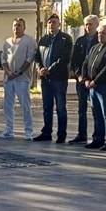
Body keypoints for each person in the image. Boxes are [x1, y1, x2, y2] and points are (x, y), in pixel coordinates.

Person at [80, 24, 106, 151]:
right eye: (99, 33)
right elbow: (86, 63)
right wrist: (86, 79)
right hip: (92, 86)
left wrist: (96, 81)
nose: (100, 35)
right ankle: (98, 138)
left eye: (103, 33)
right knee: (96, 113)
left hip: (105, 85)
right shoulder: (94, 48)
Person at [33, 14, 72, 143]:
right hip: (45, 79)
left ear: (59, 24)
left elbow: (64, 58)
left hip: (59, 78)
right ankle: (46, 132)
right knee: (47, 107)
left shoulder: (66, 39)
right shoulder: (43, 39)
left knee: (60, 107)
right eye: (50, 22)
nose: (52, 24)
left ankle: (61, 134)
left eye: (54, 22)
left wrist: (50, 69)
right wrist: (40, 69)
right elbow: (37, 56)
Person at [0, 18, 37, 140]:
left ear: (24, 27)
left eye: (19, 25)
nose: (16, 28)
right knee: (8, 104)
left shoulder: (29, 41)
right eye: (15, 25)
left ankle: (28, 131)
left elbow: (30, 58)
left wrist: (19, 71)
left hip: (22, 78)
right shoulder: (7, 42)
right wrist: (8, 72)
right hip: (9, 78)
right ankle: (9, 129)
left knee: (25, 105)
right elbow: (3, 58)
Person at [69, 15, 100, 144]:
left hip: (94, 81)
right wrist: (79, 75)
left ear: (96, 25)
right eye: (86, 24)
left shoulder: (100, 40)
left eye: (91, 24)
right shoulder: (80, 41)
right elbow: (75, 61)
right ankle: (82, 134)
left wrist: (91, 78)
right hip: (81, 80)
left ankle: (98, 136)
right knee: (82, 109)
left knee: (96, 109)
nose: (88, 27)